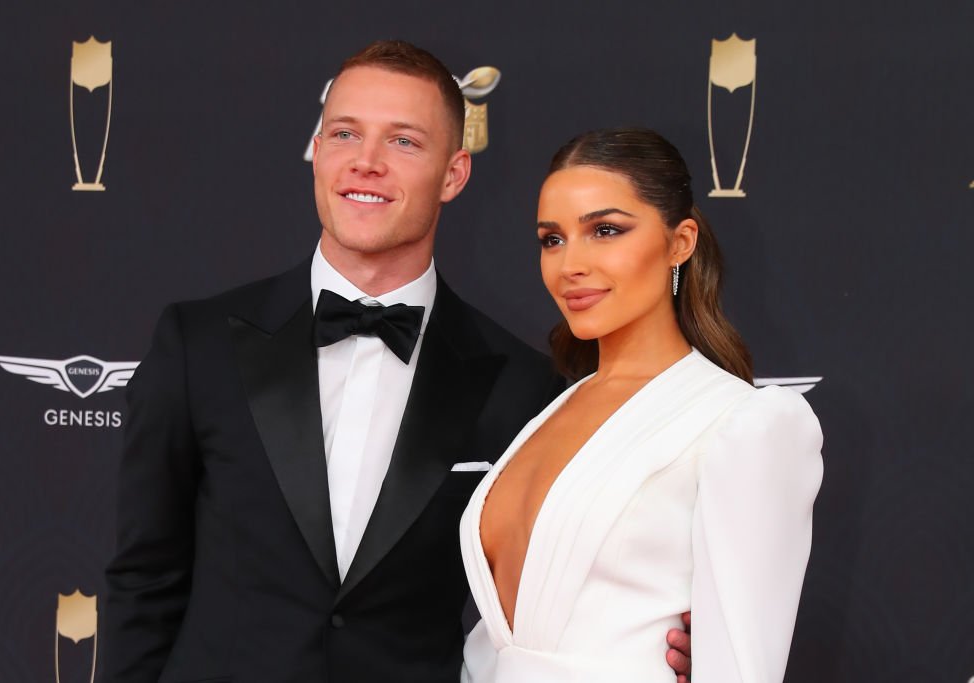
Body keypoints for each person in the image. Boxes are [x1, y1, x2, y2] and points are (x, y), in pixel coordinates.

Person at [99, 44, 691, 683]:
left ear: (453, 174)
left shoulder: (523, 385)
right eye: (345, 133)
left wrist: (670, 643)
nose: (366, 162)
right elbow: (144, 578)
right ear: (318, 151)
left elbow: (553, 596)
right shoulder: (199, 343)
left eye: (404, 142)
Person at [461, 128, 823, 682]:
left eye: (605, 230)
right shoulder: (550, 410)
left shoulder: (744, 424)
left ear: (680, 242)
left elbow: (741, 670)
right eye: (551, 239)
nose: (570, 265)